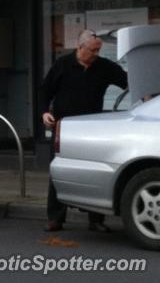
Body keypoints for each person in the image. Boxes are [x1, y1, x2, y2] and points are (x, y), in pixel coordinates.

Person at [40, 29, 128, 232]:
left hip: (92, 127)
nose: (96, 55)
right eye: (93, 50)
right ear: (80, 48)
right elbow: (45, 90)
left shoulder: (104, 67)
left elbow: (127, 81)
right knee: (59, 170)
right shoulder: (62, 65)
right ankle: (55, 218)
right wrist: (45, 112)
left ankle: (95, 220)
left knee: (94, 170)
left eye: (99, 51)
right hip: (65, 126)